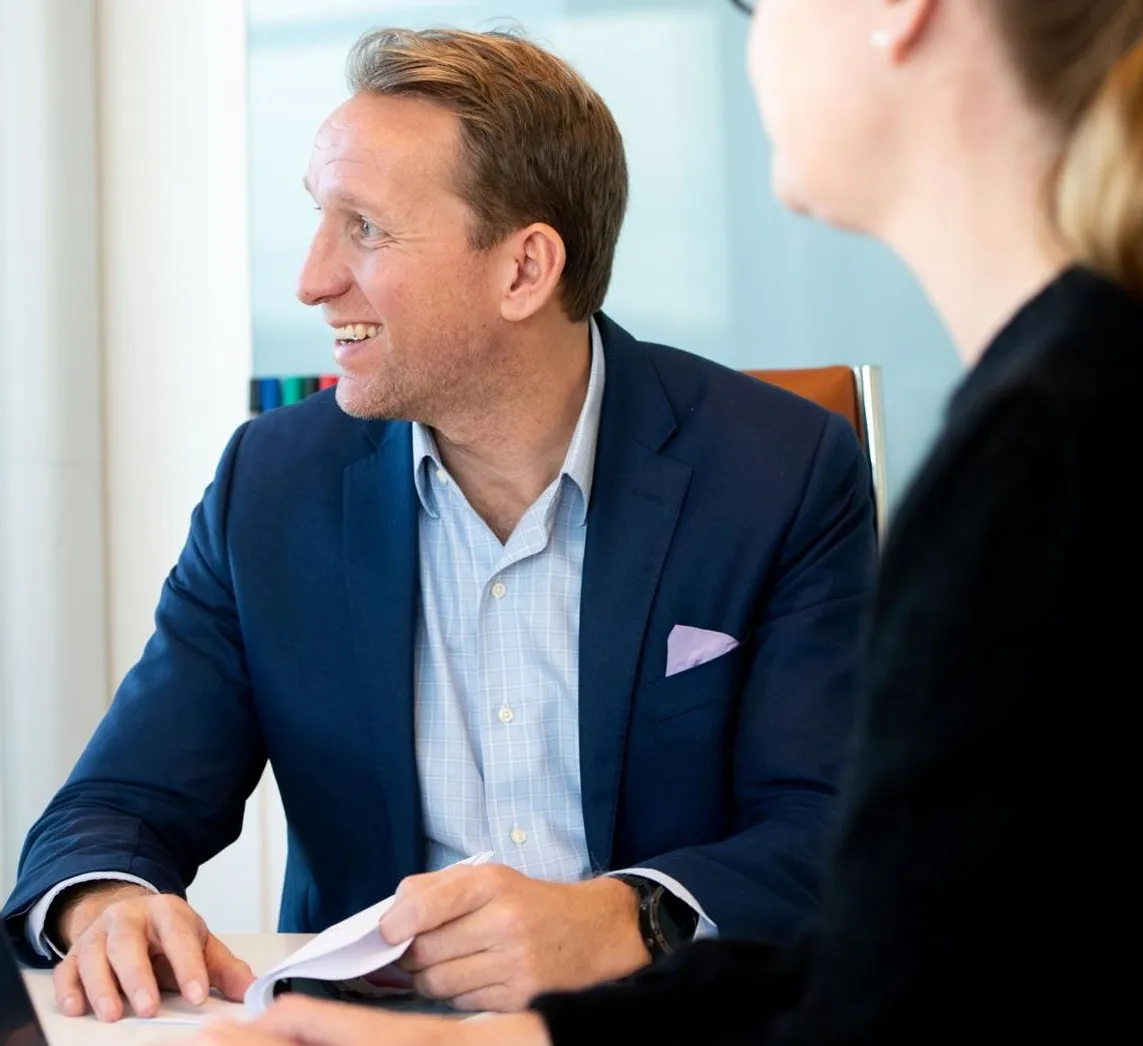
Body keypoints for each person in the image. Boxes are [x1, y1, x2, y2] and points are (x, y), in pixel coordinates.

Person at [175, 0, 1143, 1042]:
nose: (312, 279)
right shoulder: (1059, 411)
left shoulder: (1056, 450)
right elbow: (895, 953)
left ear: (899, 13)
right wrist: (482, 1039)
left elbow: (896, 979)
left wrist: (602, 940)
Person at [0, 25, 876, 1027]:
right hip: (361, 1027)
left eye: (364, 228)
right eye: (319, 220)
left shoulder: (783, 471)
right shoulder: (271, 482)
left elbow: (832, 831)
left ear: (523, 269)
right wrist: (105, 900)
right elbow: (113, 804)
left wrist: (628, 916)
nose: (313, 278)